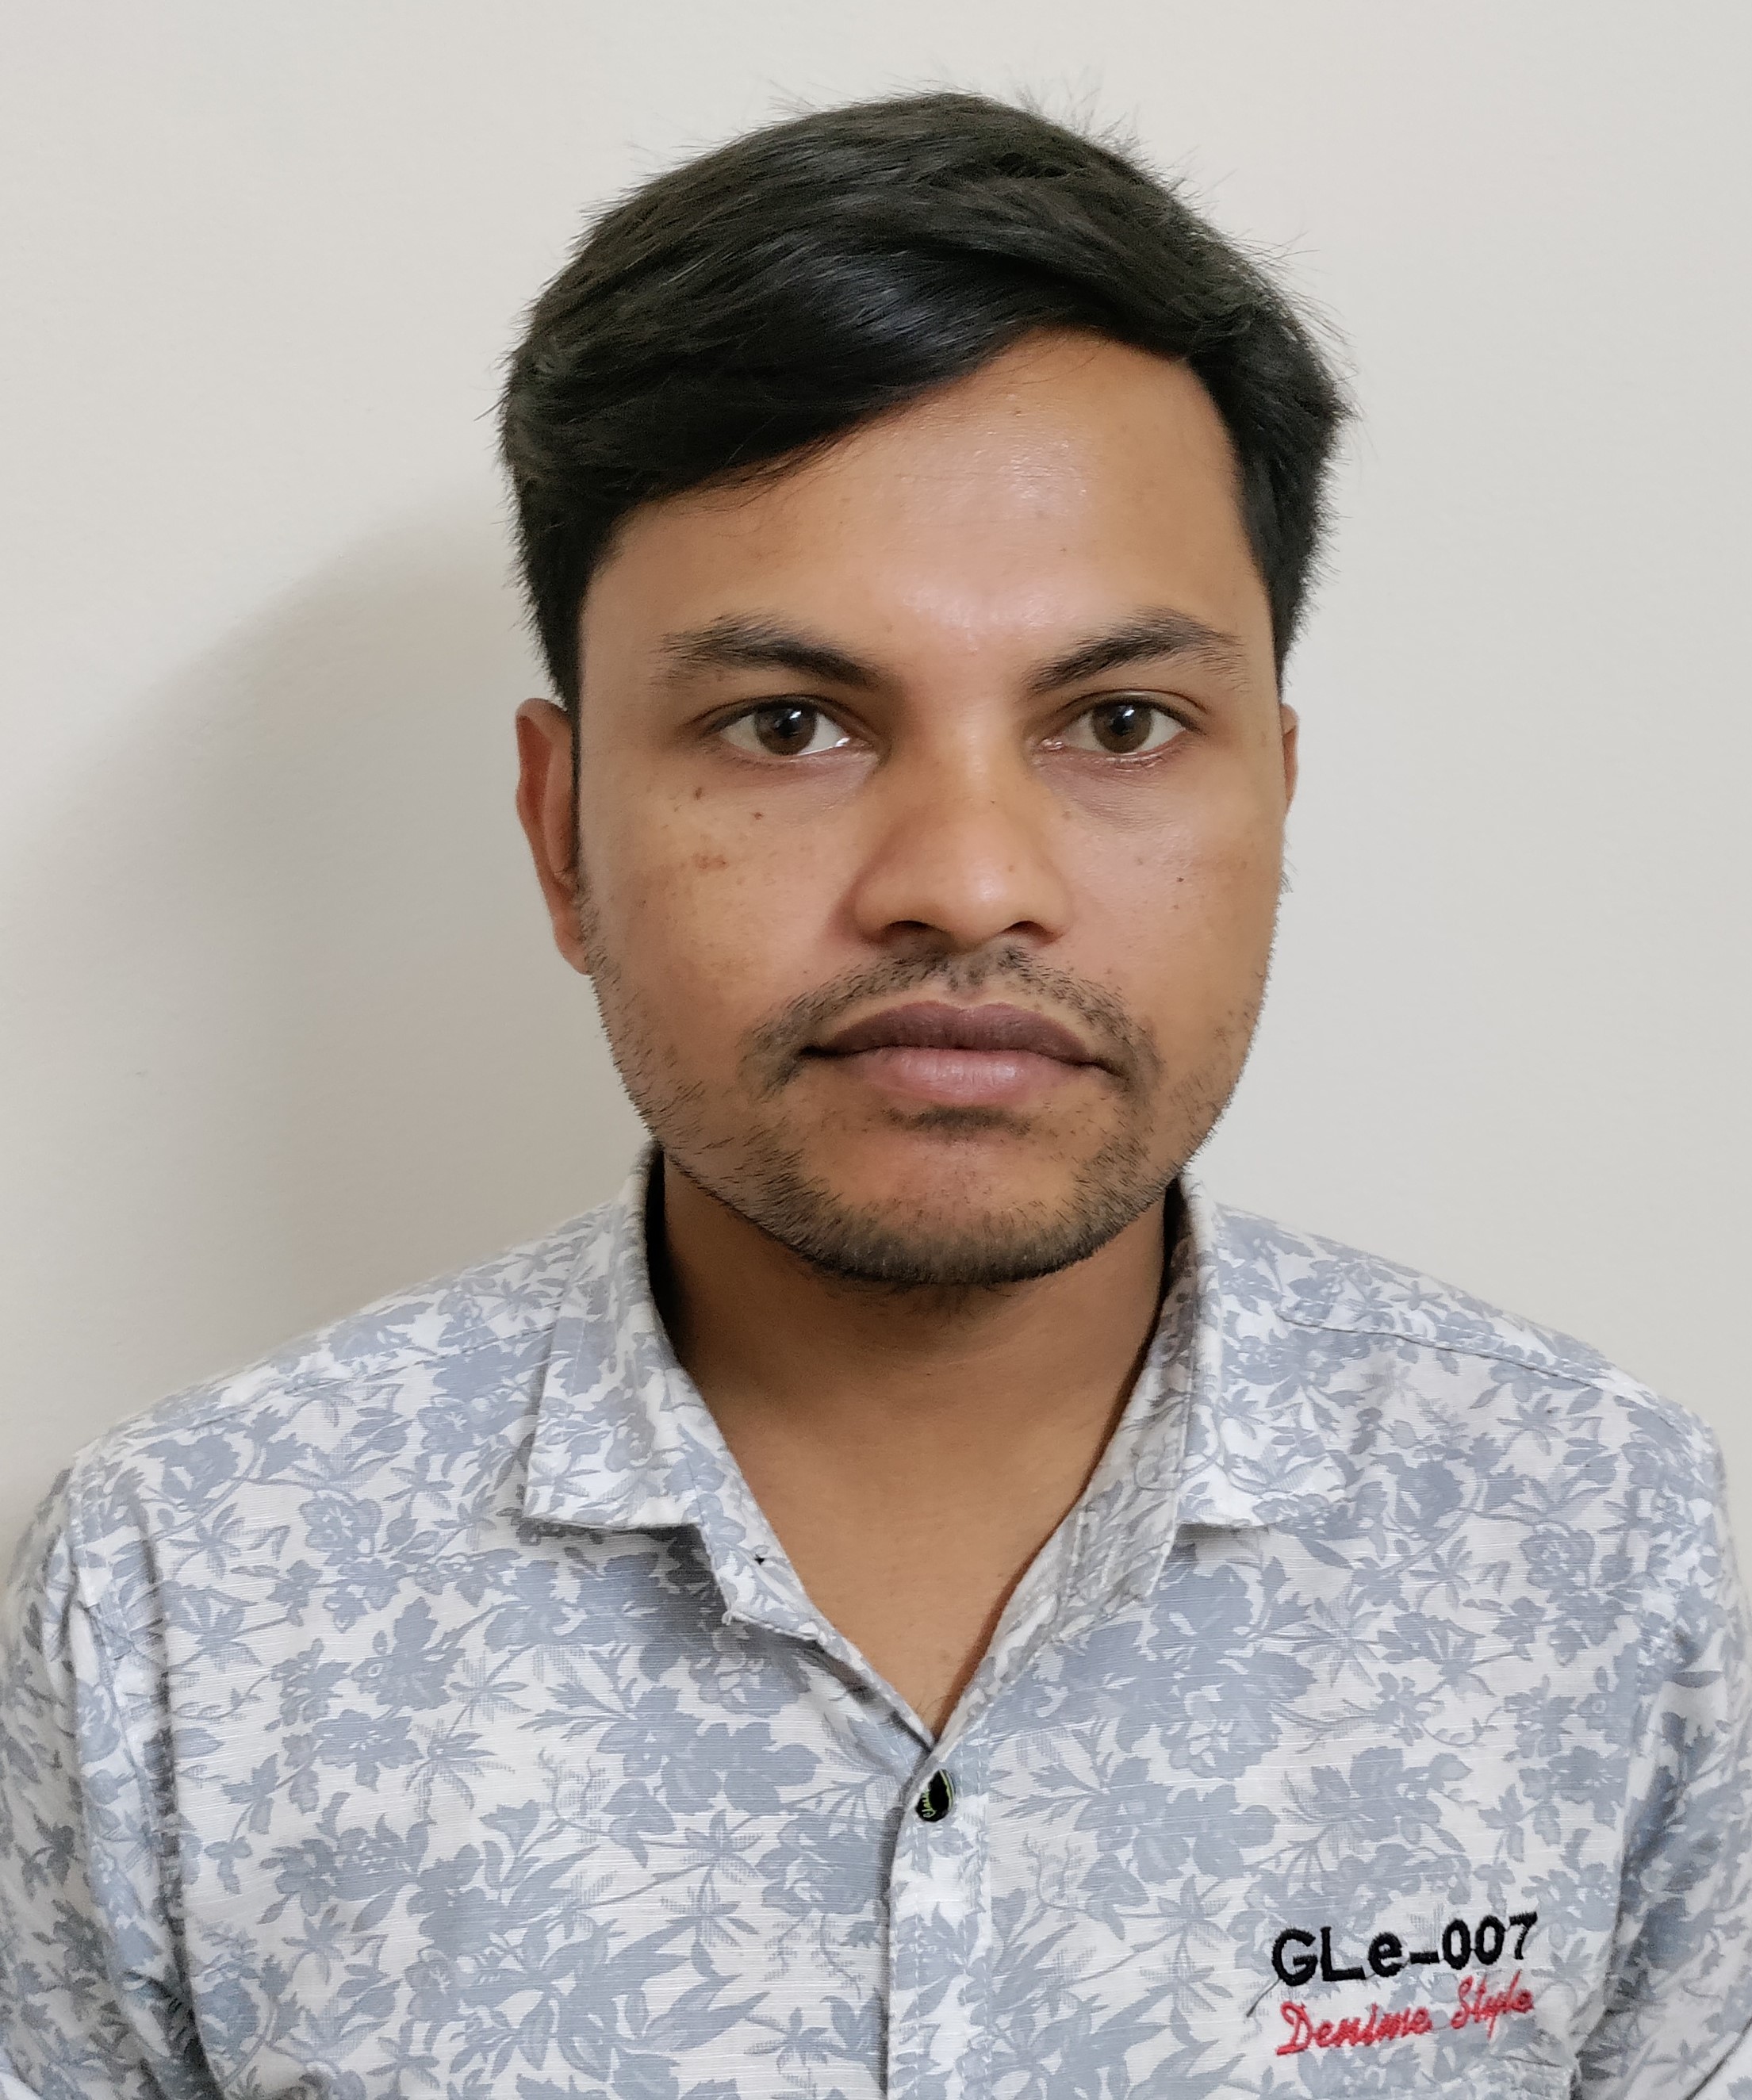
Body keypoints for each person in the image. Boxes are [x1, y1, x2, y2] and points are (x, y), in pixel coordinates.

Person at [2, 89, 1747, 2100]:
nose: (968, 881)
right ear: (562, 832)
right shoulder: (184, 1592)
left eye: (1118, 720)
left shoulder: (1596, 1542)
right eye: (790, 723)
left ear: (1276, 797)